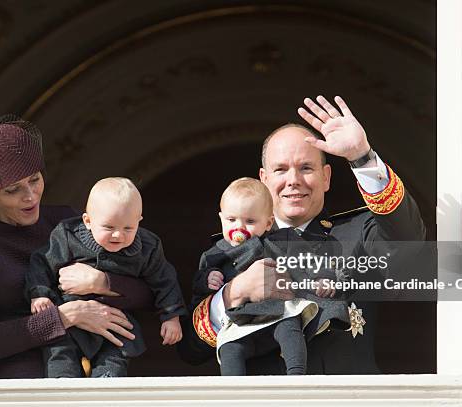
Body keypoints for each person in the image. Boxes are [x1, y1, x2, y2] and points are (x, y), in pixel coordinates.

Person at [179, 95, 426, 374]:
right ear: (264, 179)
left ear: (326, 177)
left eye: (306, 168)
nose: (293, 180)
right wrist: (234, 293)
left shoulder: (357, 233)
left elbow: (408, 243)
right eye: (281, 169)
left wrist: (362, 157)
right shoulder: (227, 249)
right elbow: (189, 348)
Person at [0, 116, 153, 379]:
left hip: (81, 387)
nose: (30, 196)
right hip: (17, 392)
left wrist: (103, 282)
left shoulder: (66, 221)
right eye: (13, 190)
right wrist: (67, 316)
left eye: (34, 179)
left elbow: (150, 292)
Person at [26, 177, 186, 377]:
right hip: (70, 322)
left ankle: (106, 384)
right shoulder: (67, 236)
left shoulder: (148, 246)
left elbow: (164, 280)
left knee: (115, 355)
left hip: (115, 323)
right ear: (88, 221)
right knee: (60, 354)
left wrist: (171, 317)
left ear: (139, 221)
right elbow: (42, 262)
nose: (118, 235)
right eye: (109, 227)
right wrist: (39, 294)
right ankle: (62, 385)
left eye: (128, 228)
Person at [192, 177, 322, 375]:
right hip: (241, 320)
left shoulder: (279, 241)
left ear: (268, 223)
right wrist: (208, 279)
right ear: (221, 218)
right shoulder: (215, 254)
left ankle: (296, 376)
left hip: (277, 312)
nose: (239, 227)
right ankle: (235, 391)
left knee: (290, 328)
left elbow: (307, 260)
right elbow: (198, 288)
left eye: (250, 221)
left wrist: (318, 278)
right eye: (231, 220)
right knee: (229, 347)